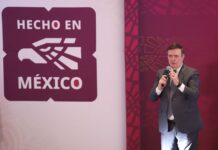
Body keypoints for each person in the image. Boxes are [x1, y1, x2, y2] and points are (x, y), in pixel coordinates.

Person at [150, 43, 203, 150]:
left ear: (183, 56)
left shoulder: (191, 73)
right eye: (170, 56)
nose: (173, 59)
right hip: (167, 125)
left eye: (176, 56)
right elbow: (152, 97)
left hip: (186, 124)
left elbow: (194, 95)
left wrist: (179, 84)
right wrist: (159, 87)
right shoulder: (161, 73)